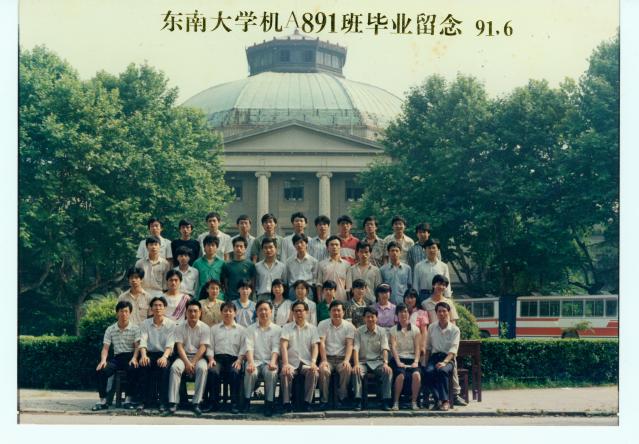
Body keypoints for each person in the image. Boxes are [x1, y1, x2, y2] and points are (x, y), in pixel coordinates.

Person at [92, 300, 141, 411]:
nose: (124, 314)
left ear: (130, 313)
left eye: (126, 311)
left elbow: (137, 347)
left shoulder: (135, 328)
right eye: (121, 311)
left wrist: (134, 358)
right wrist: (103, 361)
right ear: (117, 313)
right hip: (117, 358)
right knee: (101, 370)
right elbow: (105, 348)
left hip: (130, 357)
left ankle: (128, 400)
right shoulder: (110, 329)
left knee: (133, 369)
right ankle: (103, 400)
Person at [165, 300, 210, 416]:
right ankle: (173, 402)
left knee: (202, 368)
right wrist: (187, 363)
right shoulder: (179, 327)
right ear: (186, 312)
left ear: (200, 312)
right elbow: (179, 346)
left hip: (199, 357)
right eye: (190, 311)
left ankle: (196, 403)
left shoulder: (205, 328)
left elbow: (203, 347)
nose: (192, 313)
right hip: (183, 356)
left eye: (195, 311)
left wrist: (193, 362)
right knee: (175, 367)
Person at [241, 300, 282, 416]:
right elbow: (249, 347)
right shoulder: (250, 329)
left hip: (270, 361)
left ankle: (269, 403)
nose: (263, 312)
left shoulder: (277, 329)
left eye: (266, 310)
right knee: (251, 372)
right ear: (256, 312)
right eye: (260, 310)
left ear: (271, 311)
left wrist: (273, 362)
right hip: (255, 360)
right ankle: (247, 401)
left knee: (271, 373)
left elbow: (276, 347)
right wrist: (250, 362)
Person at [280, 300, 320, 412]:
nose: (299, 313)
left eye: (301, 311)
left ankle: (307, 402)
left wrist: (313, 362)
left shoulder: (313, 328)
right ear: (292, 313)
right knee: (285, 373)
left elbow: (315, 346)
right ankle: (286, 403)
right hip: (291, 363)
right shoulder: (286, 327)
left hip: (306, 363)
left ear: (306, 312)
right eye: (296, 311)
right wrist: (285, 364)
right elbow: (283, 346)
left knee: (314, 372)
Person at [137, 296, 176, 412]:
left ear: (164, 308)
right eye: (155, 305)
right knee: (143, 365)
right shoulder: (145, 323)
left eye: (160, 305)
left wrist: (164, 357)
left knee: (164, 368)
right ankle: (143, 401)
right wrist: (143, 356)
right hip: (149, 353)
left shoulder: (171, 324)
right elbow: (143, 341)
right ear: (151, 309)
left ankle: (163, 402)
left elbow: (170, 344)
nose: (158, 308)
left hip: (164, 354)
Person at [205, 301, 245, 413]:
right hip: (217, 359)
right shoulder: (214, 329)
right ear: (221, 313)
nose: (227, 313)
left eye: (230, 311)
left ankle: (234, 404)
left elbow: (243, 348)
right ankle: (214, 403)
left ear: (235, 313)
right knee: (213, 371)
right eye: (225, 311)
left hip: (234, 359)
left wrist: (239, 360)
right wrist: (211, 359)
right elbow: (210, 346)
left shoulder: (241, 330)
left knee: (235, 372)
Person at [351, 307, 393, 411]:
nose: (370, 319)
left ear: (376, 318)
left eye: (372, 317)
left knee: (388, 371)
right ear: (364, 318)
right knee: (356, 371)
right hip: (363, 362)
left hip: (377, 361)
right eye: (368, 317)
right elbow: (355, 348)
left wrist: (385, 363)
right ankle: (358, 400)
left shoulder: (382, 331)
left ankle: (386, 400)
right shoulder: (358, 331)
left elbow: (385, 348)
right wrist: (356, 364)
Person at [317, 300, 355, 409]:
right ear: (329, 312)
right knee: (323, 370)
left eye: (339, 310)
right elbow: (321, 343)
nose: (336, 313)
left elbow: (350, 344)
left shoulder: (349, 326)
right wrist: (324, 360)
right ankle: (324, 400)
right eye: (334, 310)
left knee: (346, 369)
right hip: (327, 358)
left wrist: (347, 360)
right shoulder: (322, 324)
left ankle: (342, 398)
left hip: (342, 358)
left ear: (343, 312)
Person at [423, 302, 460, 411]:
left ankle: (445, 401)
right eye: (439, 311)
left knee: (442, 371)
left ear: (448, 312)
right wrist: (425, 362)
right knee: (427, 372)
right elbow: (428, 347)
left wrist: (444, 362)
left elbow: (453, 349)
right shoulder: (432, 327)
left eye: (444, 311)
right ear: (436, 313)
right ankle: (437, 399)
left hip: (448, 359)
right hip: (434, 358)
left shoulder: (455, 329)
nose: (442, 314)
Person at [389, 303, 422, 411]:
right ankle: (396, 402)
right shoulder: (393, 330)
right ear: (397, 314)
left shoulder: (416, 329)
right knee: (400, 375)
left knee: (416, 375)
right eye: (401, 312)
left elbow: (417, 347)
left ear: (409, 314)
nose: (403, 314)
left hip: (412, 358)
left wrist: (416, 361)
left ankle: (414, 402)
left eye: (406, 311)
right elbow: (393, 347)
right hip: (398, 358)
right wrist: (398, 362)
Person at [221, 237, 256, 301]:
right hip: (231, 298)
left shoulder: (250, 265)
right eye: (236, 246)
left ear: (245, 248)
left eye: (241, 246)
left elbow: (253, 283)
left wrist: (250, 295)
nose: (239, 248)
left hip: (246, 298)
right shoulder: (227, 265)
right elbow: (225, 283)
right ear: (233, 248)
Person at [284, 233, 318, 300]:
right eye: (296, 243)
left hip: (308, 288)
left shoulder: (314, 261)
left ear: (306, 244)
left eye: (301, 242)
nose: (299, 245)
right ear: (294, 245)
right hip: (293, 288)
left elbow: (315, 278)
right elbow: (287, 278)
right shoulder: (289, 261)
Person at [316, 235, 350, 302]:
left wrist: (348, 302)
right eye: (332, 245)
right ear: (327, 248)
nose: (334, 247)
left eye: (337, 245)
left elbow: (348, 287)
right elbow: (319, 284)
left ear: (340, 247)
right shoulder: (321, 264)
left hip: (342, 299)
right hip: (326, 300)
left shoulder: (347, 265)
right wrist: (320, 300)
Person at [380, 241, 412, 305]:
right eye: (392, 251)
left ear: (400, 253)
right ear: (388, 253)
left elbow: (409, 286)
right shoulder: (383, 269)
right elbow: (381, 287)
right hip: (388, 302)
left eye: (397, 251)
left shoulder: (407, 268)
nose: (394, 253)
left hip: (403, 302)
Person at [192, 235, 225, 299]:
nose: (210, 247)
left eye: (213, 245)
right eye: (208, 245)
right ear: (204, 247)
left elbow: (224, 281)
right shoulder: (197, 263)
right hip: (201, 296)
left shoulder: (222, 263)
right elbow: (193, 282)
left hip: (218, 296)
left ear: (217, 247)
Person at [403, 288, 429, 365]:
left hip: (417, 345)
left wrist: (423, 346)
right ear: (404, 299)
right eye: (407, 297)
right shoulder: (401, 312)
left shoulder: (422, 313)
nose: (409, 300)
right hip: (403, 346)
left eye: (412, 297)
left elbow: (424, 332)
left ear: (416, 299)